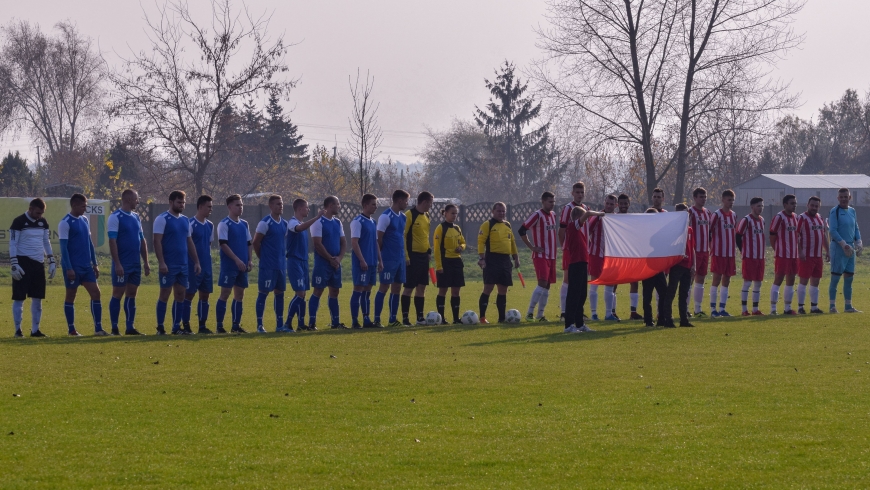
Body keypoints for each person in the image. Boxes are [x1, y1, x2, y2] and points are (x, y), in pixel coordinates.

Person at [153, 190, 201, 335]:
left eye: (183, 202)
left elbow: (189, 241)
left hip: (183, 265)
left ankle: (176, 327)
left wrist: (196, 261)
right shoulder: (162, 219)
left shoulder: (185, 220)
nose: (182, 205)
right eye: (179, 202)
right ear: (171, 202)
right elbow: (157, 241)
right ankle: (160, 327)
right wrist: (161, 262)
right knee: (165, 294)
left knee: (181, 295)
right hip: (169, 264)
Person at [9, 198, 56, 337]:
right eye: (37, 212)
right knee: (19, 298)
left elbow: (46, 242)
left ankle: (35, 330)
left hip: (38, 263)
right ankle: (18, 330)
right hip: (23, 262)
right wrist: (14, 263)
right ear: (30, 209)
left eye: (41, 213)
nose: (39, 216)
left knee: (37, 298)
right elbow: (13, 243)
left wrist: (51, 260)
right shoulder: (18, 221)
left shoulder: (43, 222)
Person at [58, 194, 104, 336]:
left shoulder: (84, 220)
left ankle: (98, 329)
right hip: (73, 267)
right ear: (75, 206)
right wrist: (69, 268)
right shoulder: (65, 223)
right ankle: (71, 330)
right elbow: (63, 248)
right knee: (71, 295)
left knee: (96, 293)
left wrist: (95, 263)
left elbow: (89, 243)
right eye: (83, 206)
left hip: (86, 266)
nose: (85, 208)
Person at [108, 189, 150, 336]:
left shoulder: (136, 217)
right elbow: (112, 241)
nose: (138, 202)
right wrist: (117, 263)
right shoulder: (115, 217)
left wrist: (145, 261)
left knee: (132, 294)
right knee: (118, 293)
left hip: (135, 264)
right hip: (122, 264)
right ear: (128, 199)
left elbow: (141, 240)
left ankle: (130, 327)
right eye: (136, 199)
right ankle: (114, 328)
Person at [283, 199, 323, 331]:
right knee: (300, 293)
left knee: (303, 294)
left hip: (303, 262)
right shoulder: (292, 222)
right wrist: (317, 218)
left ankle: (301, 324)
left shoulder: (301, 223)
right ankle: (287, 323)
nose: (308, 210)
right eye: (306, 208)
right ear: (300, 209)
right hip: (294, 261)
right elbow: (299, 228)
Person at [477, 202, 520, 323]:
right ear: (493, 212)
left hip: (505, 261)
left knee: (503, 290)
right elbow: (480, 242)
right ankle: (482, 317)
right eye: (499, 211)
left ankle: (501, 318)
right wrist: (481, 257)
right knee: (488, 288)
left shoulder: (507, 225)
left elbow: (512, 243)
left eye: (503, 211)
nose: (501, 213)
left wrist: (516, 257)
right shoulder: (487, 225)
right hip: (492, 260)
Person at [215, 195, 253, 334]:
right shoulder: (224, 224)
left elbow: (249, 243)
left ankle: (236, 326)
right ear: (229, 207)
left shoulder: (244, 224)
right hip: (230, 266)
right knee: (225, 293)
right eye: (237, 205)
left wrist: (249, 259)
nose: (240, 207)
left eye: (241, 205)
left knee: (240, 295)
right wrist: (236, 260)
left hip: (243, 266)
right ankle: (219, 326)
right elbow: (223, 244)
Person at [519, 191, 559, 322]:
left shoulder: (553, 215)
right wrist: (532, 247)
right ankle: (530, 312)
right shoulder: (537, 215)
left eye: (553, 201)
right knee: (542, 282)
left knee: (547, 285)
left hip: (552, 256)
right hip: (541, 255)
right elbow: (522, 230)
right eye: (549, 201)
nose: (552, 204)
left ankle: (540, 315)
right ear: (543, 202)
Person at [563, 204, 603, 333]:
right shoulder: (572, 227)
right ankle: (569, 325)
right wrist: (599, 214)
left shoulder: (580, 231)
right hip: (575, 264)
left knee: (582, 295)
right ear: (577, 217)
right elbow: (587, 215)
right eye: (582, 217)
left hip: (583, 263)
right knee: (573, 295)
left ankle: (579, 324)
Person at [253, 195, 289, 333]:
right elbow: (256, 242)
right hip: (268, 266)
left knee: (279, 294)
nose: (281, 206)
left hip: (281, 265)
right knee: (263, 293)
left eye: (281, 203)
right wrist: (263, 258)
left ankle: (280, 325)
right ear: (271, 206)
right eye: (277, 204)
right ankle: (260, 325)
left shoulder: (284, 224)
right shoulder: (265, 223)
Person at [310, 196, 347, 329]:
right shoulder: (318, 222)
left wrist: (339, 258)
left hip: (336, 263)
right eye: (338, 204)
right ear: (330, 205)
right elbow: (317, 244)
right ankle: (312, 323)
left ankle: (335, 323)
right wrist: (330, 259)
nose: (339, 206)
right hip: (322, 264)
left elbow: (343, 242)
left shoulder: (338, 222)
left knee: (335, 291)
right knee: (318, 290)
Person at [374, 190, 410, 327]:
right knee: (384, 287)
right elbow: (379, 239)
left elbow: (400, 237)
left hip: (400, 258)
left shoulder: (403, 217)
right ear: (400, 201)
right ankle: (377, 319)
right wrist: (382, 257)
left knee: (397, 288)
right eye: (406, 201)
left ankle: (392, 319)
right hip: (388, 258)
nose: (407, 204)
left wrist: (404, 256)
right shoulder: (385, 216)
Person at [350, 194, 383, 329]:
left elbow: (375, 243)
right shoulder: (357, 221)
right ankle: (354, 321)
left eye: (376, 204)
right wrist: (362, 260)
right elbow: (354, 243)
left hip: (372, 262)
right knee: (358, 289)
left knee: (367, 291)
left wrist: (380, 260)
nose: (376, 207)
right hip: (361, 263)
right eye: (373, 204)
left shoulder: (373, 222)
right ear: (365, 206)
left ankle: (366, 319)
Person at [183, 195, 214, 334]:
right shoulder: (190, 224)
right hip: (192, 266)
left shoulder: (210, 225)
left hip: (206, 266)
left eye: (211, 207)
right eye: (208, 207)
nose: (210, 209)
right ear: (200, 207)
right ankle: (186, 325)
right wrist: (195, 262)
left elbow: (208, 244)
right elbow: (187, 245)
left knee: (205, 295)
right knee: (189, 295)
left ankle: (202, 326)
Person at [402, 191, 434, 325]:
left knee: (422, 287)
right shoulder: (409, 215)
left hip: (423, 257)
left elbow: (425, 236)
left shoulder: (427, 215)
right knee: (409, 287)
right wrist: (406, 256)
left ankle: (420, 318)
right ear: (425, 202)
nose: (431, 206)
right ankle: (405, 318)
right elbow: (403, 236)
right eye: (430, 203)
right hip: (412, 257)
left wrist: (428, 252)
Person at [558, 182, 589, 320]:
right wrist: (565, 246)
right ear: (572, 193)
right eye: (577, 192)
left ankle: (578, 313)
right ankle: (565, 312)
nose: (580, 195)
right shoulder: (568, 208)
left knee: (580, 285)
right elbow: (562, 230)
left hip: (583, 251)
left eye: (582, 192)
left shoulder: (585, 208)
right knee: (568, 280)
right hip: (570, 250)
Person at [828, 187, 862, 313]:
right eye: (841, 197)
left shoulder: (852, 211)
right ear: (838, 198)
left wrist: (858, 242)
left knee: (849, 278)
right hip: (838, 248)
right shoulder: (834, 211)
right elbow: (832, 230)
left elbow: (856, 228)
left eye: (845, 197)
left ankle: (848, 306)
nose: (843, 199)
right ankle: (832, 306)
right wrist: (843, 244)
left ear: (849, 197)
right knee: (835, 278)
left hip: (850, 249)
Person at [662, 203, 695, 327]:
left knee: (684, 293)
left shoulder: (690, 230)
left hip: (687, 266)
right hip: (677, 266)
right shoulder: (673, 230)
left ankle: (683, 320)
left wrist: (693, 265)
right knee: (671, 292)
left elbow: (692, 249)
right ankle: (668, 319)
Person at [434, 204, 466, 324]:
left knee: (456, 291)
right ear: (445, 213)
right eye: (452, 213)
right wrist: (439, 266)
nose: (454, 215)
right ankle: (441, 318)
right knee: (443, 290)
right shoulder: (440, 228)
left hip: (457, 262)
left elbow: (463, 242)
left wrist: (461, 247)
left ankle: (456, 318)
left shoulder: (457, 228)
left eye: (456, 213)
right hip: (445, 262)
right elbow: (436, 249)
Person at [586, 194, 617, 320]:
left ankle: (609, 314)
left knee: (609, 284)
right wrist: (590, 246)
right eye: (607, 203)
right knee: (594, 283)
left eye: (611, 204)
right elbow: (587, 230)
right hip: (596, 254)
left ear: (616, 205)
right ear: (604, 203)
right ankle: (594, 313)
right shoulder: (597, 216)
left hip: (610, 256)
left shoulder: (617, 218)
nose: (609, 206)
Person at [797, 196, 829, 314]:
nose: (814, 208)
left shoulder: (820, 218)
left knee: (816, 281)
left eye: (816, 206)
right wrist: (800, 251)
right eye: (812, 205)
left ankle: (814, 307)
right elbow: (796, 236)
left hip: (818, 256)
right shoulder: (801, 218)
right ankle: (800, 307)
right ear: (807, 205)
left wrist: (828, 250)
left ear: (819, 207)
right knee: (803, 281)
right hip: (806, 255)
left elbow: (824, 235)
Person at [735, 197, 766, 316]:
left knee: (758, 282)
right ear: (752, 207)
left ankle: (755, 309)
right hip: (749, 256)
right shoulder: (746, 220)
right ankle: (744, 310)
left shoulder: (762, 220)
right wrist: (743, 251)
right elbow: (738, 236)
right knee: (747, 282)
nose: (760, 208)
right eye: (758, 206)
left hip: (760, 257)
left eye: (762, 206)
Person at [769, 194, 799, 315]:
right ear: (785, 204)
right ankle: (773, 309)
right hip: (782, 255)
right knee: (778, 279)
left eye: (795, 203)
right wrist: (777, 249)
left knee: (791, 280)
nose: (794, 205)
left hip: (793, 255)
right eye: (792, 203)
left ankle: (787, 308)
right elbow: (772, 235)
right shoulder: (779, 217)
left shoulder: (795, 217)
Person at [709, 189, 737, 317]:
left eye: (732, 200)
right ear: (723, 200)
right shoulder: (717, 215)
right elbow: (709, 231)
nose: (730, 202)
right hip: (719, 253)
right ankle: (713, 309)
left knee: (727, 280)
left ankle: (722, 309)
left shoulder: (733, 215)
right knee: (716, 279)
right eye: (728, 200)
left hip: (730, 254)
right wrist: (711, 247)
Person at [640, 208, 668, 327]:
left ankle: (661, 318)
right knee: (647, 295)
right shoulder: (643, 233)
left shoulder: (660, 232)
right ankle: (648, 320)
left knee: (664, 293)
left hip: (658, 267)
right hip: (647, 267)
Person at [688, 187, 713, 317]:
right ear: (695, 198)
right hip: (694, 251)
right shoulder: (690, 212)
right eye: (701, 197)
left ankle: (697, 309)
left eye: (705, 197)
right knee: (690, 279)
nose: (703, 199)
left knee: (701, 279)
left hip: (705, 251)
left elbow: (710, 233)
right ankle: (685, 308)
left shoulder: (707, 213)